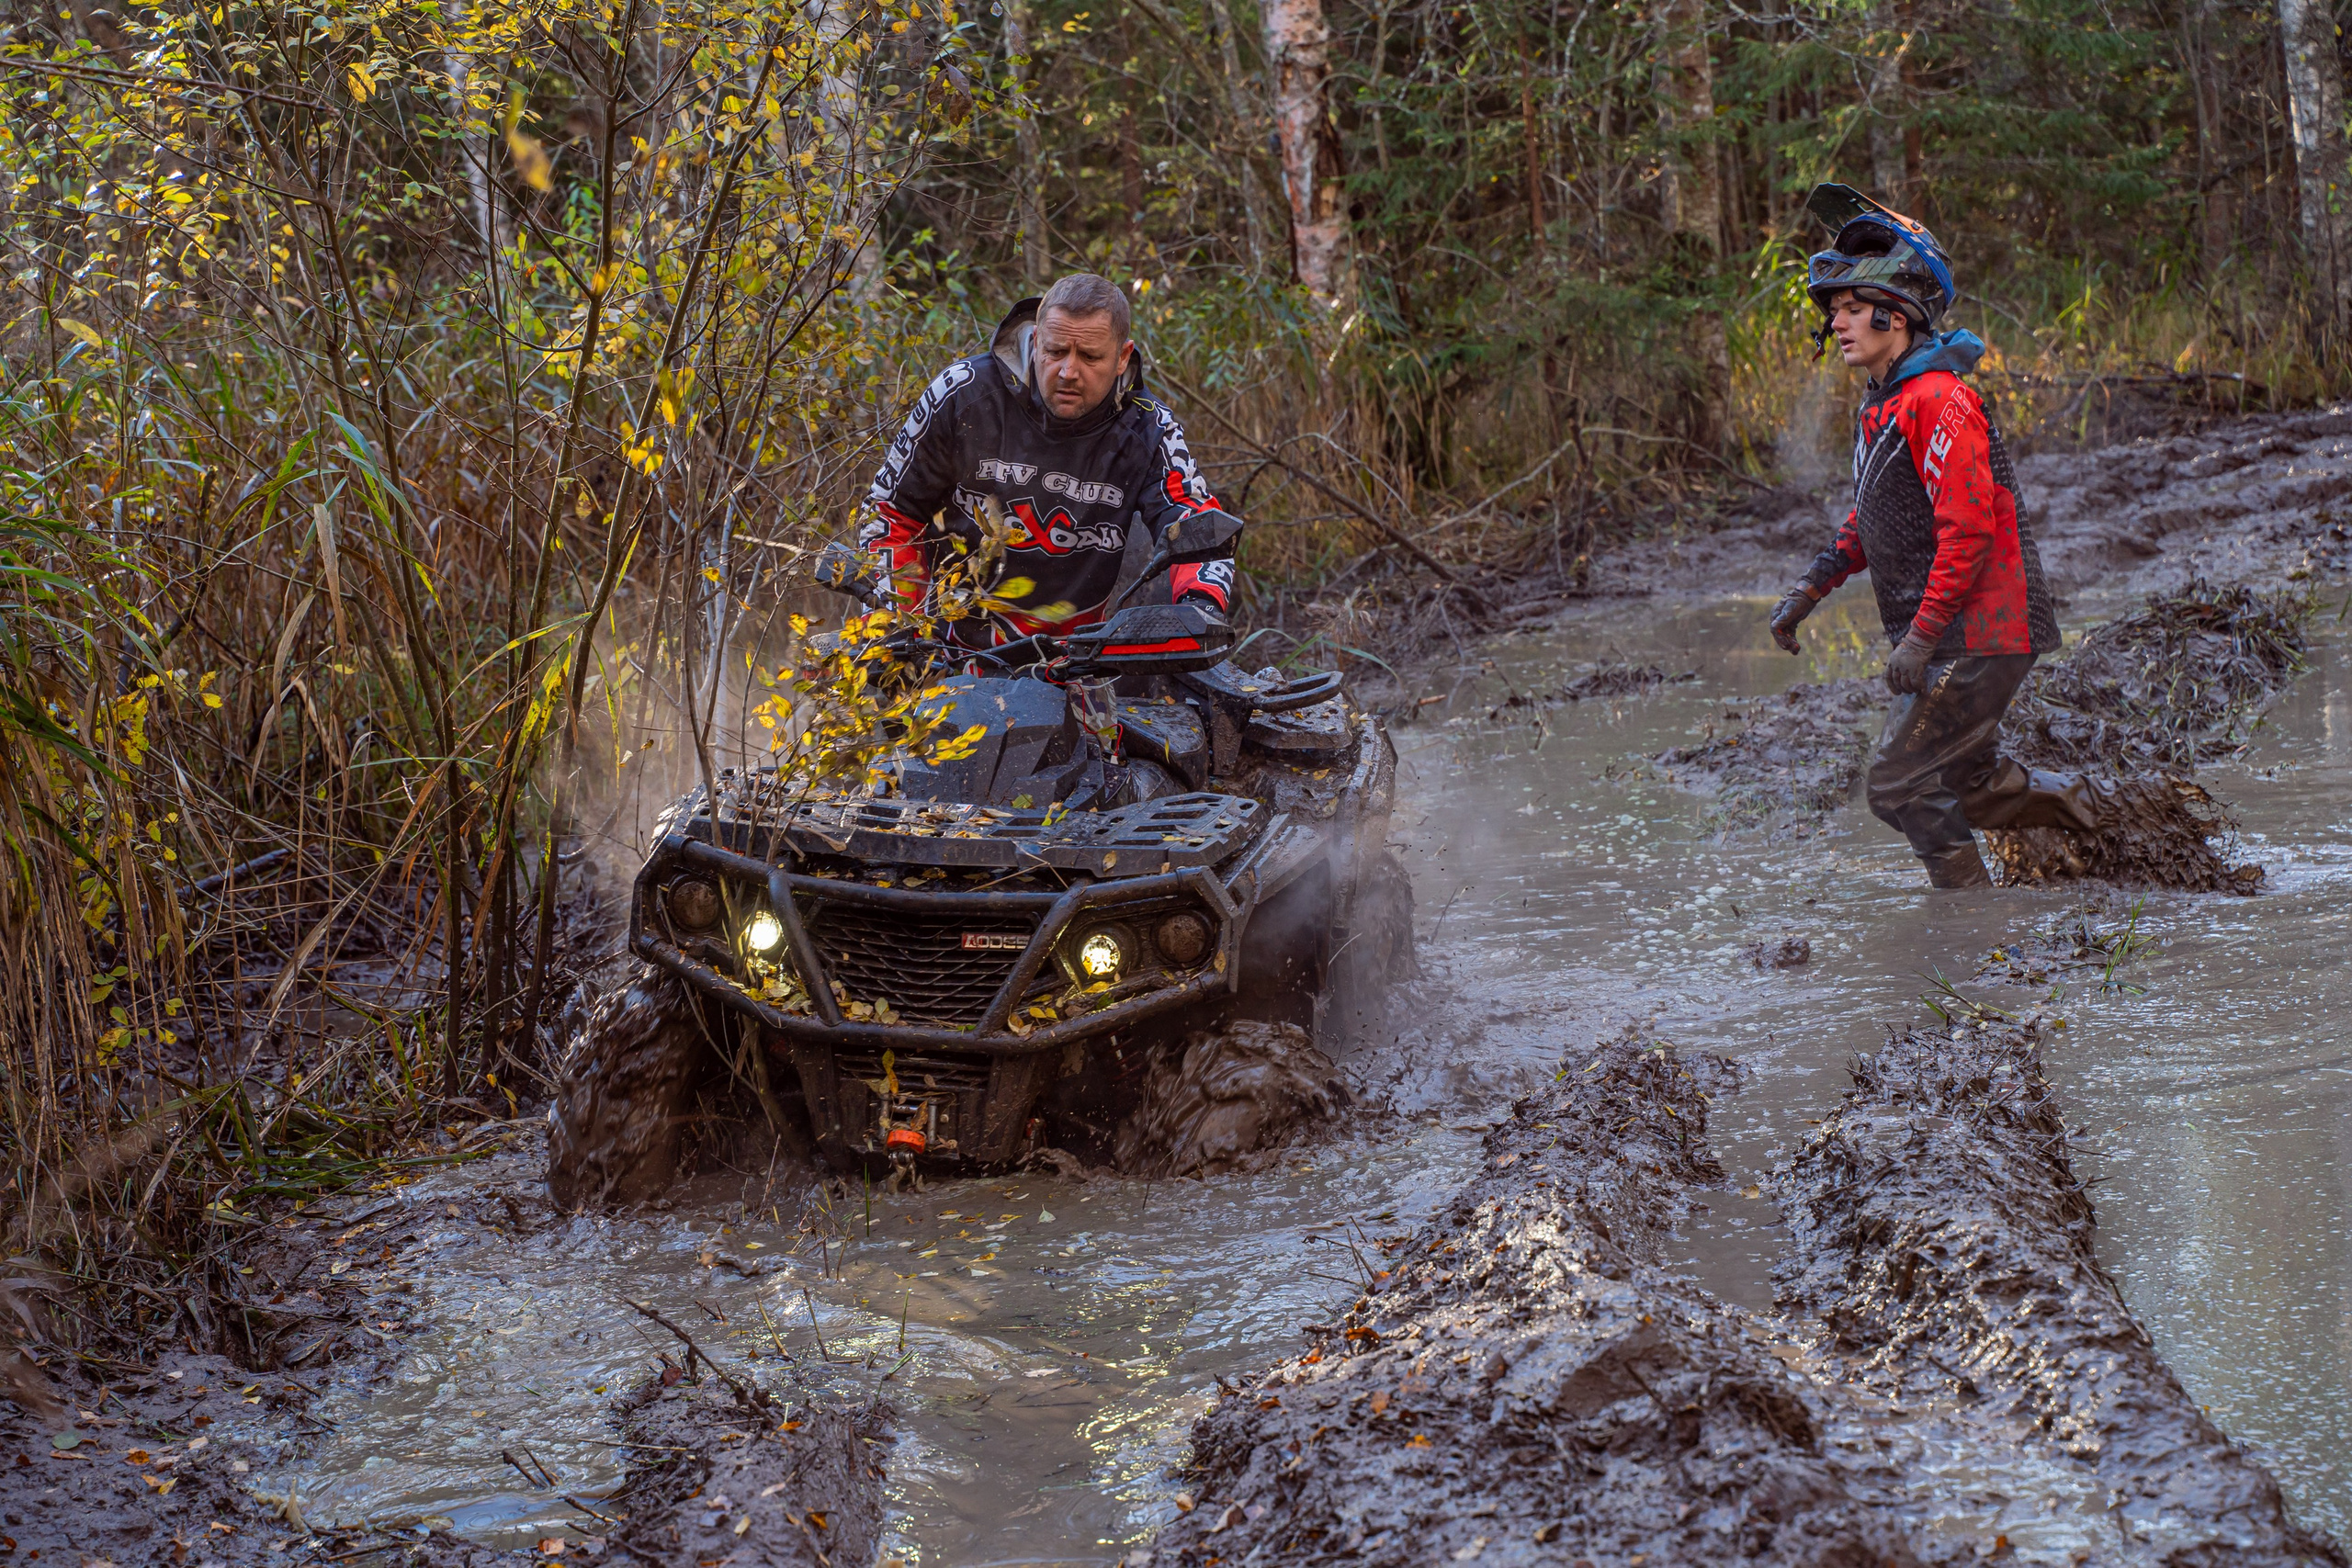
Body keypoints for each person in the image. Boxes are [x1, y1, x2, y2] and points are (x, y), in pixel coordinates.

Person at [1766, 184, 2103, 889]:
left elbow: (1969, 529)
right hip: (1957, 630)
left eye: (1854, 309)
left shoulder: (1940, 400)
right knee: (1969, 786)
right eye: (1836, 312)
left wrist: (1919, 639)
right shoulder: (1884, 406)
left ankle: (1967, 918)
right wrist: (1809, 588)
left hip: (1982, 630)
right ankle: (2096, 817)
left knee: (1895, 784)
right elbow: (1874, 516)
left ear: (1899, 313)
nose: (1841, 325)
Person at [860, 272, 1237, 647]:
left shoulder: (1149, 427)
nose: (1069, 372)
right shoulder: (964, 395)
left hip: (1079, 661)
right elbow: (890, 511)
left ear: (1122, 357)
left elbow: (1195, 524)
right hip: (944, 648)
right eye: (1056, 351)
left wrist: (1199, 606)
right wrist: (893, 621)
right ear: (1036, 340)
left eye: (1090, 357)